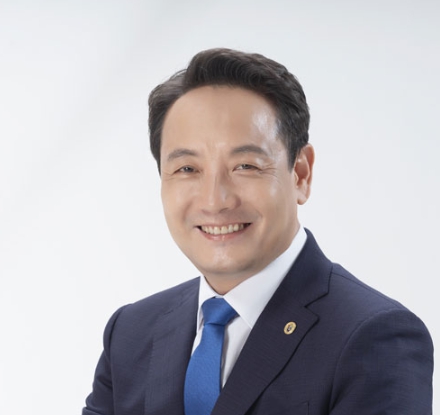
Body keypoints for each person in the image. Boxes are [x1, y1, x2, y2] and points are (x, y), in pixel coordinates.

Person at [83, 48, 433, 415]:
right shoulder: (131, 333)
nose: (215, 201)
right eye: (187, 169)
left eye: (246, 166)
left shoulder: (375, 337)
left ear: (300, 174)